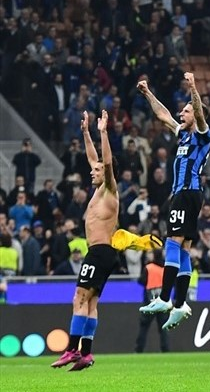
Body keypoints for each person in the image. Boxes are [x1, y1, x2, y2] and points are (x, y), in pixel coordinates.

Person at [137, 73, 210, 331]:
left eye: (186, 111)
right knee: (184, 249)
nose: (182, 113)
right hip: (189, 195)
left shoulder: (202, 134)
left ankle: (164, 298)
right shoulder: (182, 135)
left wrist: (193, 87)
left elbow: (199, 114)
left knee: (172, 242)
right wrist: (148, 93)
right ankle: (180, 304)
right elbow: (163, 115)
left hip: (186, 192)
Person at [50, 111, 118, 371]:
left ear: (107, 173)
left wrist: (103, 132)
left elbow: (106, 162)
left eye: (97, 170)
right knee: (90, 303)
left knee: (78, 297)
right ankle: (86, 353)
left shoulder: (110, 190)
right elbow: (94, 158)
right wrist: (86, 133)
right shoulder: (99, 190)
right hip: (104, 253)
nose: (93, 171)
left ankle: (71, 350)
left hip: (99, 251)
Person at [136, 250, 170, 353]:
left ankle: (139, 349)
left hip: (150, 300)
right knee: (163, 326)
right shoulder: (165, 268)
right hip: (163, 301)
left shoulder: (149, 267)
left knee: (144, 326)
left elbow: (141, 280)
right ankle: (165, 349)